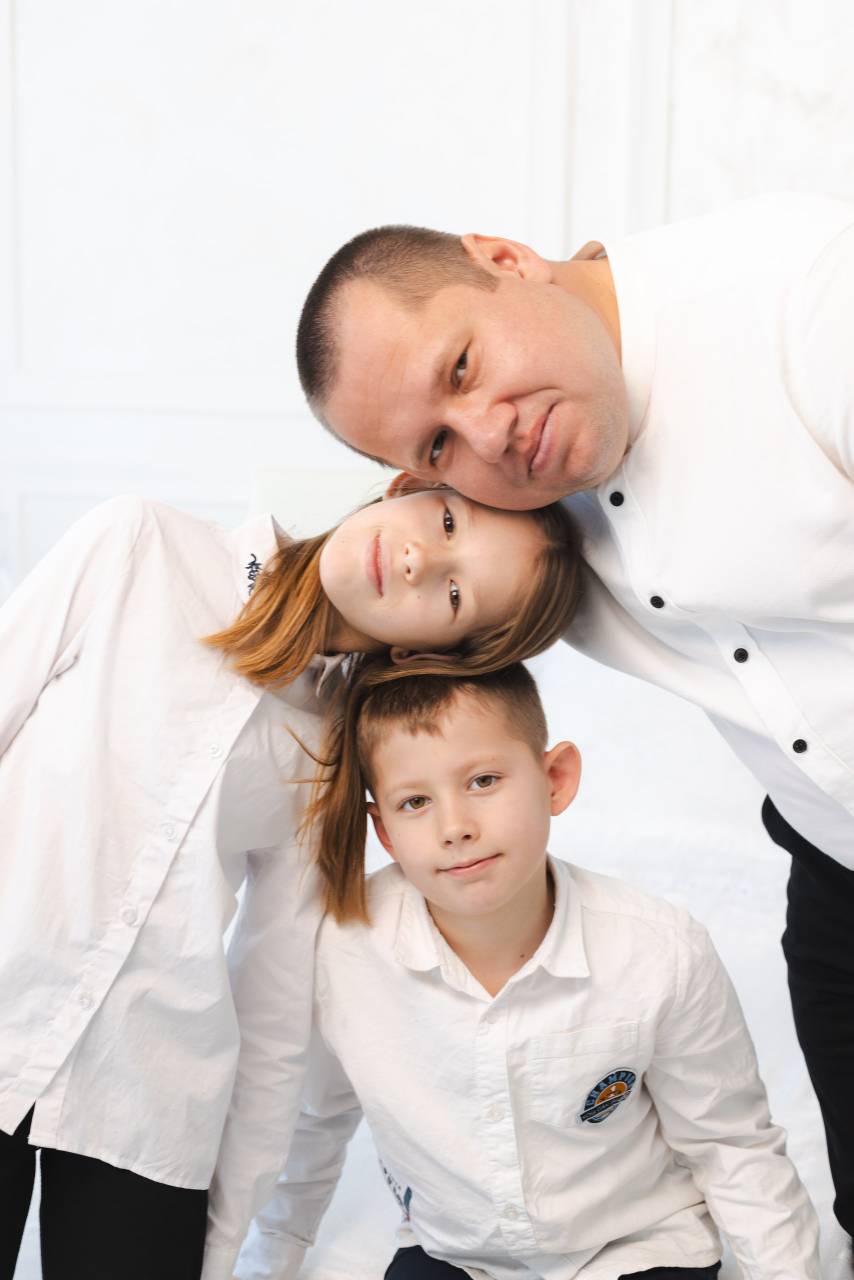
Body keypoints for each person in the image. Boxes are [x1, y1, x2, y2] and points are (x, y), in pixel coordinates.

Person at [295, 194, 854, 1238]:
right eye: (437, 447)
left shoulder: (809, 301)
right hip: (835, 876)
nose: (489, 434)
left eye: (462, 366)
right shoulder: (508, 531)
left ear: (505, 258)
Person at [0, 487, 579, 1280]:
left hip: (145, 1090)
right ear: (407, 488)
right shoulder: (140, 546)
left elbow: (274, 999)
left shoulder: (335, 745)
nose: (418, 558)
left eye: (453, 594)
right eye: (446, 522)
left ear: (432, 654)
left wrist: (223, 1241)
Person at [235, 664, 820, 1280]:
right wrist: (267, 1261)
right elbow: (314, 1120)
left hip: (636, 1245)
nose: (455, 827)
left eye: (483, 781)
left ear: (554, 780)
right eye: (415, 802)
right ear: (384, 830)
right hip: (456, 1254)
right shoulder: (340, 951)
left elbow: (730, 1145)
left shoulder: (659, 951)